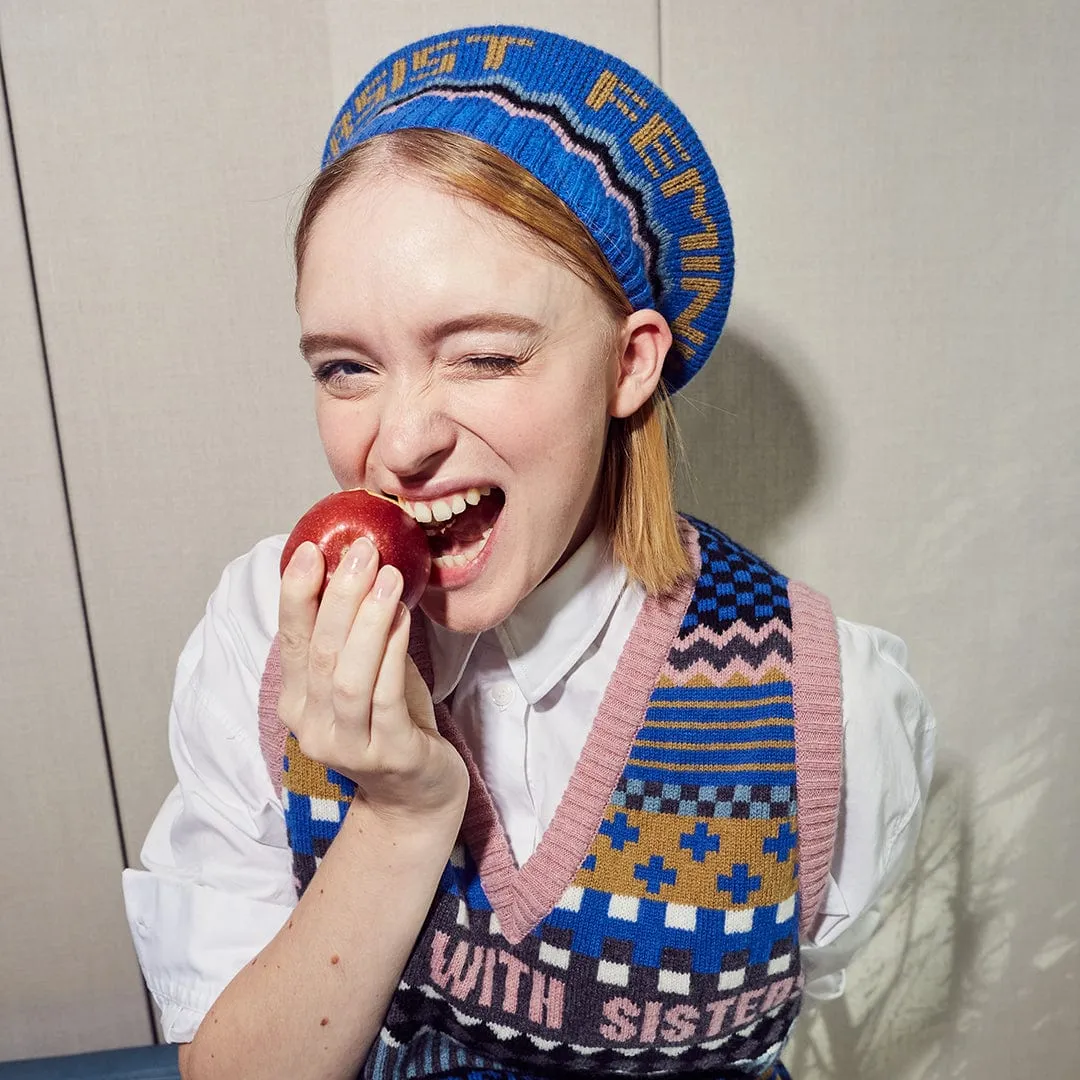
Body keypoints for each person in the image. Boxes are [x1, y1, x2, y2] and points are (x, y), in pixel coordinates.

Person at [122, 24, 935, 1080]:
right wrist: (401, 813)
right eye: (345, 369)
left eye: (487, 355)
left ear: (629, 364)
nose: (401, 443)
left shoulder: (826, 709)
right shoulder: (265, 630)